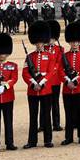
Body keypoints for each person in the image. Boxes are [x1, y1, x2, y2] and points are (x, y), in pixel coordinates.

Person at [22, 20, 57, 149]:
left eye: (41, 42)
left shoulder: (50, 56)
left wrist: (41, 82)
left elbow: (51, 72)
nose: (39, 44)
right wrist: (33, 83)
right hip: (32, 90)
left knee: (46, 115)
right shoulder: (29, 57)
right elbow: (25, 73)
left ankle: (48, 140)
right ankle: (32, 141)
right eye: (37, 42)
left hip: (45, 89)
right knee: (33, 116)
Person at [60, 21, 80, 145]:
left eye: (77, 42)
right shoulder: (64, 56)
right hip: (67, 89)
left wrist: (76, 80)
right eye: (73, 42)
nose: (75, 44)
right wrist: (67, 81)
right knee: (69, 114)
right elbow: (60, 71)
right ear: (69, 42)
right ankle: (69, 137)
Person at [46, 20, 64, 132]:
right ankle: (43, 124)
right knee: (45, 104)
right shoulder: (44, 50)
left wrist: (52, 70)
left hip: (56, 80)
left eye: (52, 38)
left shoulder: (60, 49)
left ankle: (56, 123)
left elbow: (59, 62)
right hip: (46, 81)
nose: (50, 41)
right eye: (49, 38)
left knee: (55, 102)